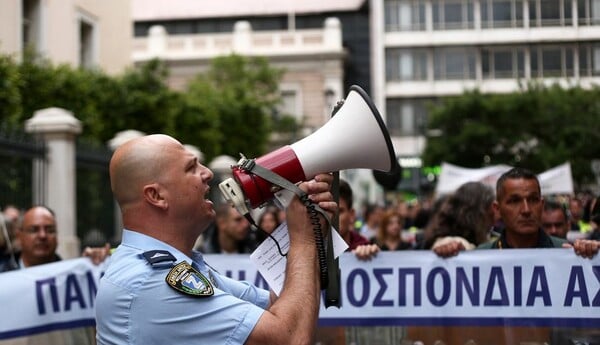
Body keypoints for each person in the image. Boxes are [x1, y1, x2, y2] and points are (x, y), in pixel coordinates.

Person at [95, 134, 336, 344]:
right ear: (156, 195)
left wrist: (304, 225)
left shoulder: (169, 268)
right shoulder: (153, 281)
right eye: (191, 168)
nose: (207, 173)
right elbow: (289, 337)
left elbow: (277, 305)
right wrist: (304, 240)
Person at [435, 168, 599, 258]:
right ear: (497, 210)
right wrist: (450, 260)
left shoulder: (569, 255)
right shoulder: (479, 258)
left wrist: (592, 256)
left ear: (541, 205)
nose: (526, 210)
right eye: (514, 201)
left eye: (533, 200)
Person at [0, 205, 110, 272]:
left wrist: (93, 264)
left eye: (50, 230)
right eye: (34, 230)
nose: (42, 236)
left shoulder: (73, 275)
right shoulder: (4, 277)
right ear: (20, 236)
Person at [424, 181, 496, 257]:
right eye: (491, 207)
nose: (495, 212)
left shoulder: (489, 237)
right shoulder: (454, 243)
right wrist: (448, 246)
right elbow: (447, 244)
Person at [338, 179, 379, 260]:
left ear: (351, 215)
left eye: (339, 211)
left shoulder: (363, 245)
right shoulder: (310, 248)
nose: (332, 217)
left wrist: (375, 259)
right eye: (326, 211)